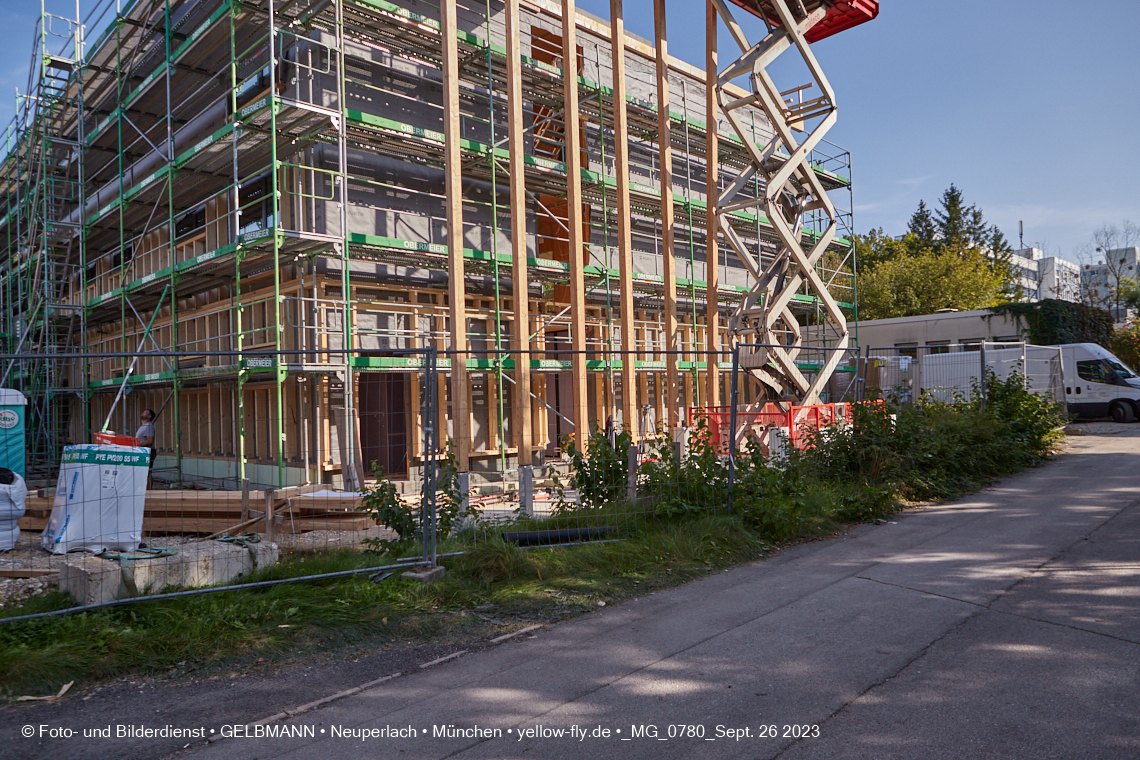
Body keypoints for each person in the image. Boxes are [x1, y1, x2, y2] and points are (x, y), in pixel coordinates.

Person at [136, 409, 157, 490]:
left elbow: (150, 441)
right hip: (142, 451)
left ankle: (149, 491)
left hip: (147, 452)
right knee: (144, 472)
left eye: (145, 412)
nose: (142, 412)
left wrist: (137, 445)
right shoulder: (143, 427)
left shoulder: (148, 426)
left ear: (149, 416)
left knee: (147, 472)